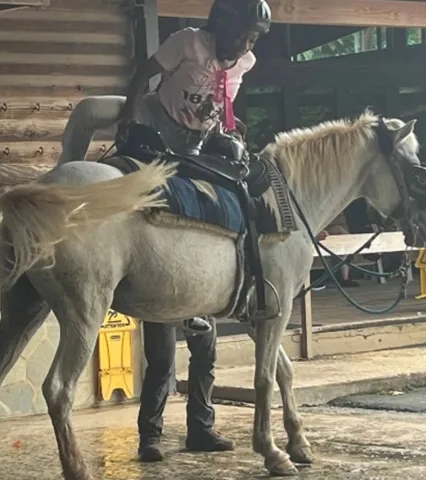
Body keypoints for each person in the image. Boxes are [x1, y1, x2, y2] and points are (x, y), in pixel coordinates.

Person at [115, 0, 273, 462]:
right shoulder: (188, 42)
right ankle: (150, 435)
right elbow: (145, 71)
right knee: (162, 352)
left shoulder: (244, 61)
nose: (247, 44)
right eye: (243, 33)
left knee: (205, 347)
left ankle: (201, 427)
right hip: (160, 136)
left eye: (254, 38)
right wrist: (129, 111)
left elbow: (224, 103)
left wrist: (231, 125)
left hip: (202, 147)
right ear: (222, 24)